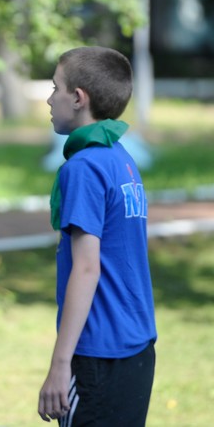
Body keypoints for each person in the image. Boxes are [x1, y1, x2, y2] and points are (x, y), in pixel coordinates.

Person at [38, 46, 157, 425]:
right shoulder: (120, 158)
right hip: (136, 348)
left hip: (98, 355)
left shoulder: (84, 168)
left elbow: (87, 269)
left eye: (55, 87)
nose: (49, 98)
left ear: (78, 98)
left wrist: (60, 364)